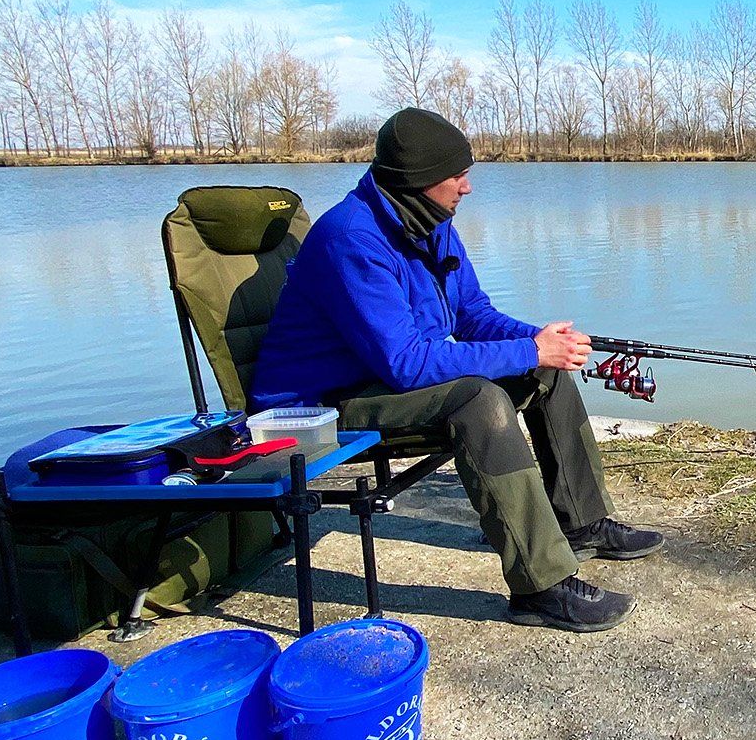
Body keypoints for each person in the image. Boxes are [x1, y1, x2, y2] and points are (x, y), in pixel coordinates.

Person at [250, 107, 660, 632]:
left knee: (545, 371)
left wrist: (540, 341)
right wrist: (530, 350)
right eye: (458, 176)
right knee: (478, 399)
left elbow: (473, 317)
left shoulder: (430, 223)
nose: (467, 187)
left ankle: (581, 521)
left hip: (381, 377)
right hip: (324, 403)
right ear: (419, 181)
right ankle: (541, 586)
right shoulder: (350, 239)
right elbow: (407, 362)